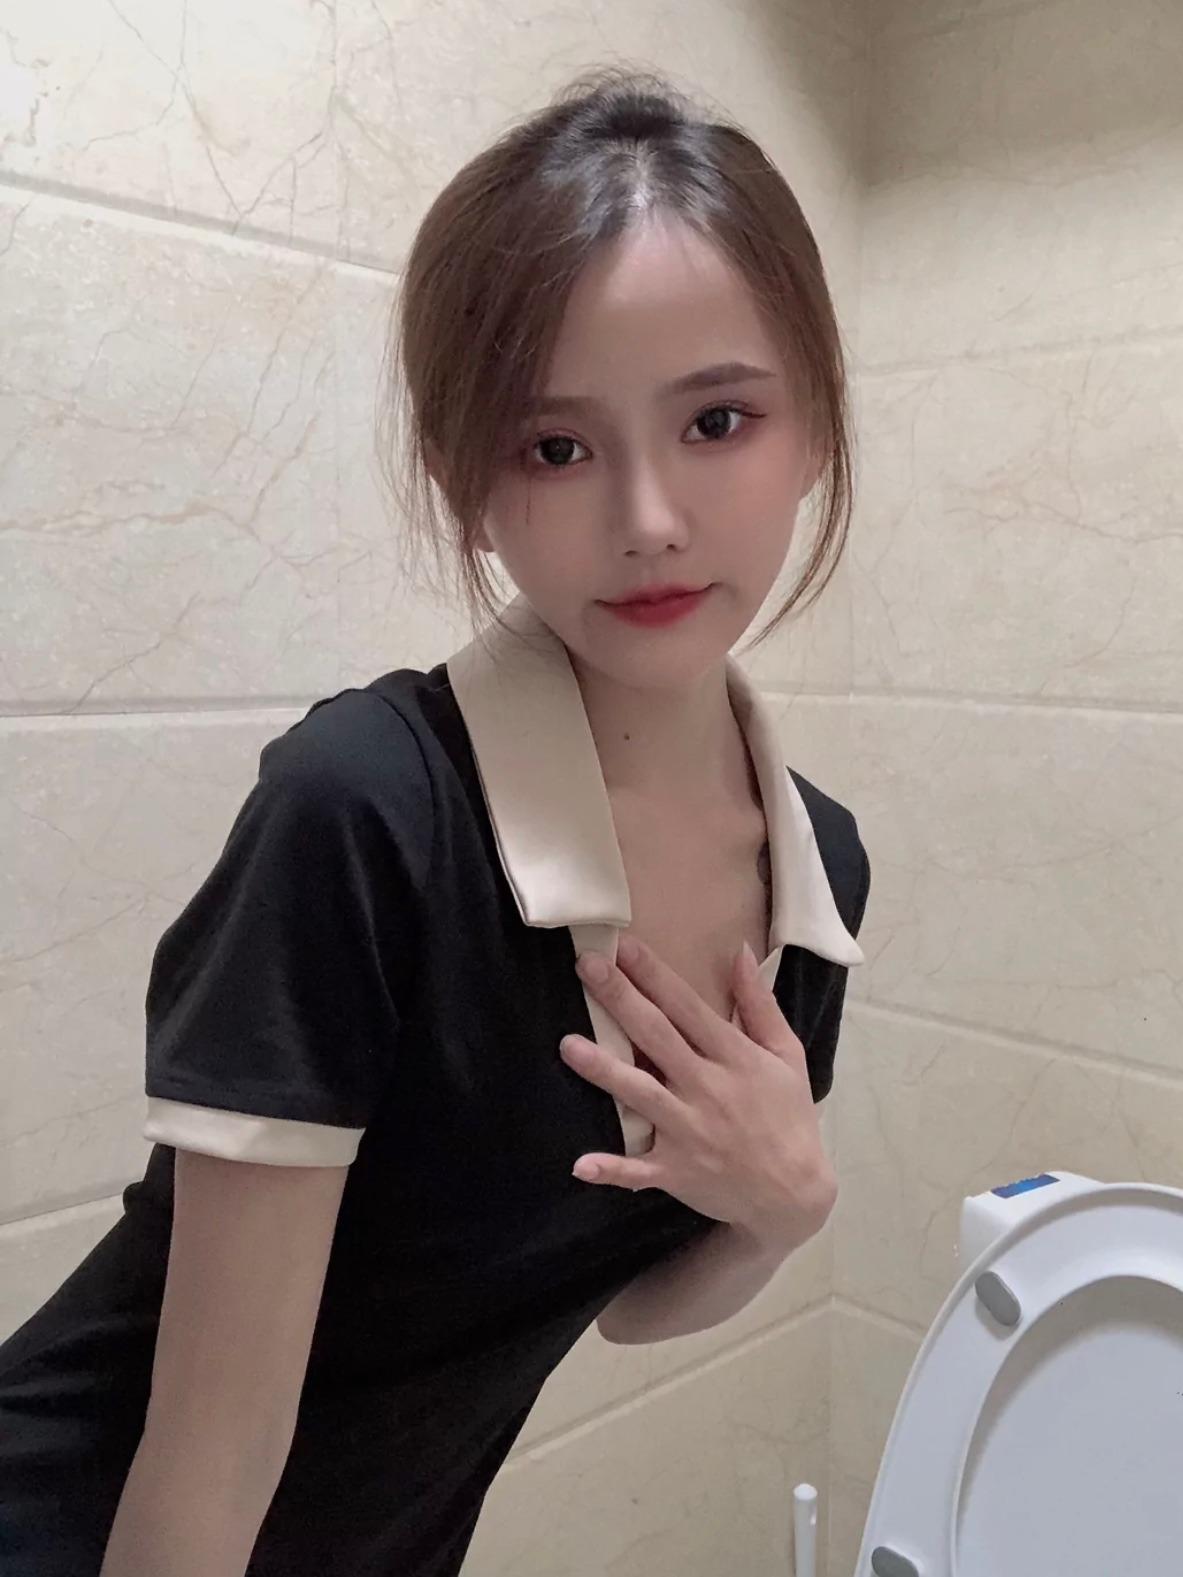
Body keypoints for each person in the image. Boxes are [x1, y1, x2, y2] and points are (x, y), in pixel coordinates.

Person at [0, 64, 871, 1577]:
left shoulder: (818, 875)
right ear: (468, 483)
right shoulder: (367, 812)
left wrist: (784, 1208)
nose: (649, 518)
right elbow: (213, 1447)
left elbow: (624, 1300)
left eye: (719, 419)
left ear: (813, 430)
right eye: (557, 448)